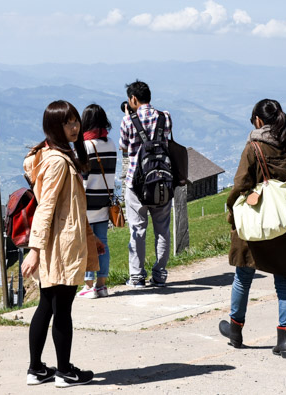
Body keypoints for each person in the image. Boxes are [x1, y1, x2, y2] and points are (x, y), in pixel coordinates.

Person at [219, 98, 286, 358]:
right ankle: (285, 340)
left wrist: (232, 211)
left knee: (243, 277)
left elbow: (240, 186)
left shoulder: (254, 148)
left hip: (255, 224)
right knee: (284, 283)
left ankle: (235, 331)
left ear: (258, 121)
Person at [21, 100, 102, 388]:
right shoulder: (56, 162)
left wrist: (91, 240)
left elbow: (72, 208)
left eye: (75, 121)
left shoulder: (57, 155)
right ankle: (65, 371)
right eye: (67, 123)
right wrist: (34, 250)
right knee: (62, 309)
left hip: (61, 242)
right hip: (60, 246)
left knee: (46, 306)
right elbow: (46, 208)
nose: (75, 127)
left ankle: (35, 369)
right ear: (54, 127)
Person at [119, 80, 173, 287]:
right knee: (162, 229)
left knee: (137, 229)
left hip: (137, 183)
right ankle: (159, 275)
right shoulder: (165, 117)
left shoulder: (127, 121)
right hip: (162, 181)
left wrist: (127, 117)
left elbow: (124, 146)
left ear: (133, 99)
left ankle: (137, 277)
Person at [77, 103, 118, 299]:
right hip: (104, 201)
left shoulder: (85, 146)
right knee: (103, 244)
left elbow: (81, 178)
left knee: (87, 244)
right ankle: (102, 286)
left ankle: (88, 284)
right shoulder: (110, 143)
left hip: (87, 203)